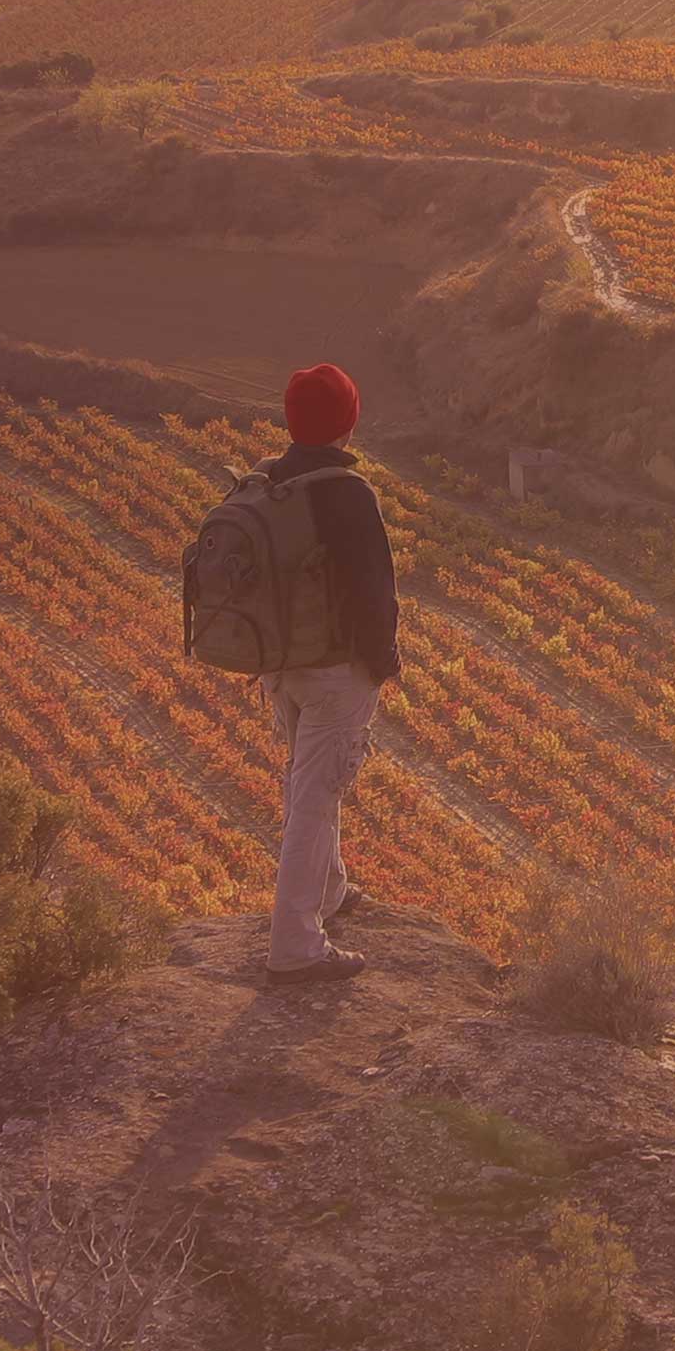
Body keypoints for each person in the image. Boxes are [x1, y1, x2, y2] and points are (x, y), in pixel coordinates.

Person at [262, 360, 398, 987]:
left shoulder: (268, 483)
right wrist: (382, 665)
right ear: (348, 421)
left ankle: (332, 888)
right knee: (315, 796)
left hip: (281, 663)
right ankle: (295, 943)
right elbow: (376, 591)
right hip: (335, 671)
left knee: (309, 782)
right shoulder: (348, 493)